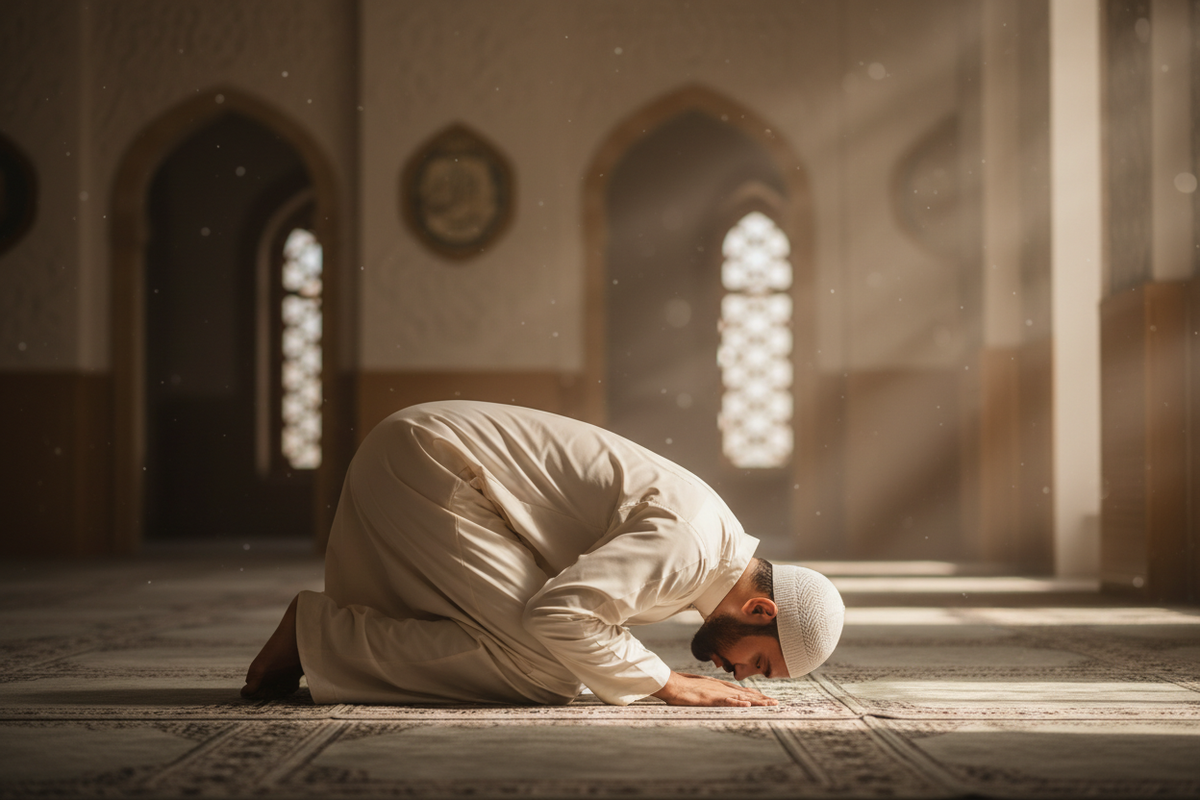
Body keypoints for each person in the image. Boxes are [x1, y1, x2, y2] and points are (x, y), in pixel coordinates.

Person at [242, 400, 844, 707]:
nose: (738, 677)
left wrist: (640, 673)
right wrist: (666, 684)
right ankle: (317, 638)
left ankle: (325, 639)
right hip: (432, 465)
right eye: (758, 664)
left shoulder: (711, 543)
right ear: (761, 611)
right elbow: (560, 615)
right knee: (546, 666)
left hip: (427, 456)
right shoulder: (691, 549)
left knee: (555, 659)